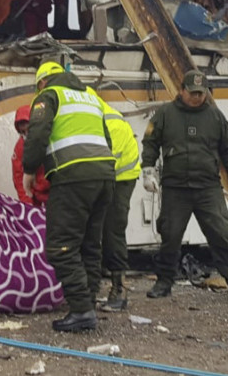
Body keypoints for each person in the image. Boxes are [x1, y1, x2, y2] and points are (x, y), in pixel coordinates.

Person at [141, 69, 228, 301]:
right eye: (192, 93)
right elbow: (150, 143)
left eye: (201, 93)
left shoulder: (216, 117)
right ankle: (164, 283)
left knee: (222, 233)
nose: (197, 97)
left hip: (208, 187)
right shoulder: (165, 114)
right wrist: (148, 171)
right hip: (176, 187)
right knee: (170, 235)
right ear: (182, 90)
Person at [22, 62, 115, 332]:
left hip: (73, 177)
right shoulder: (90, 97)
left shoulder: (49, 95)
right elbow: (106, 138)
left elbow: (38, 134)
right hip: (105, 176)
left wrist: (29, 169)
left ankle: (82, 309)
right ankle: (88, 300)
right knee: (90, 242)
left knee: (61, 246)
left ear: (42, 82)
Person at [92, 91, 141, 312]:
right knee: (93, 228)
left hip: (120, 178)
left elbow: (107, 161)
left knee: (112, 229)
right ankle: (91, 287)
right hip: (101, 175)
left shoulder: (110, 122)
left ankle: (118, 287)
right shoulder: (89, 118)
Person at [11, 105, 49, 206]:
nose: (26, 133)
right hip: (36, 195)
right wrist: (27, 203)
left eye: (29, 129)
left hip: (55, 193)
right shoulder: (20, 147)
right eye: (22, 131)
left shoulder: (50, 139)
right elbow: (18, 177)